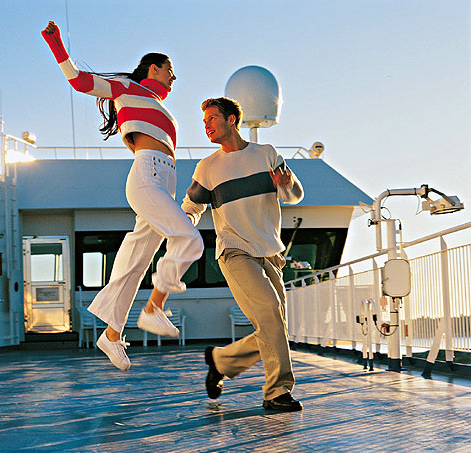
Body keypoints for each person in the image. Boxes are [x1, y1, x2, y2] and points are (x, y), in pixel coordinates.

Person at [42, 21, 203, 371]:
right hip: (148, 175)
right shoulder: (127, 87)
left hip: (164, 180)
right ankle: (154, 307)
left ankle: (112, 335)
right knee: (190, 240)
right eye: (170, 70)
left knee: (135, 262)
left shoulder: (158, 105)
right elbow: (79, 81)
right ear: (153, 68)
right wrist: (57, 46)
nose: (174, 78)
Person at [181, 97, 304, 412]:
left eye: (211, 118)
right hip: (234, 250)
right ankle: (277, 392)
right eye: (204, 121)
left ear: (231, 119)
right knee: (271, 315)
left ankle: (221, 361)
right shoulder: (208, 167)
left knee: (273, 325)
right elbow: (192, 206)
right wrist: (178, 225)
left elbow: (294, 195)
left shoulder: (266, 154)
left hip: (270, 252)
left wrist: (286, 183)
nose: (206, 125)